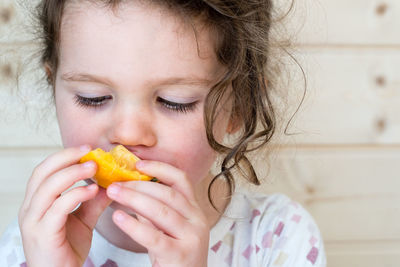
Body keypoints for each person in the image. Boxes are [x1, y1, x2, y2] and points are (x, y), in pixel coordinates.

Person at [0, 0, 326, 266]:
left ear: (240, 106)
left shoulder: (275, 239)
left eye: (174, 102)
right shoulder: (31, 244)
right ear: (53, 86)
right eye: (92, 97)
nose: (127, 135)